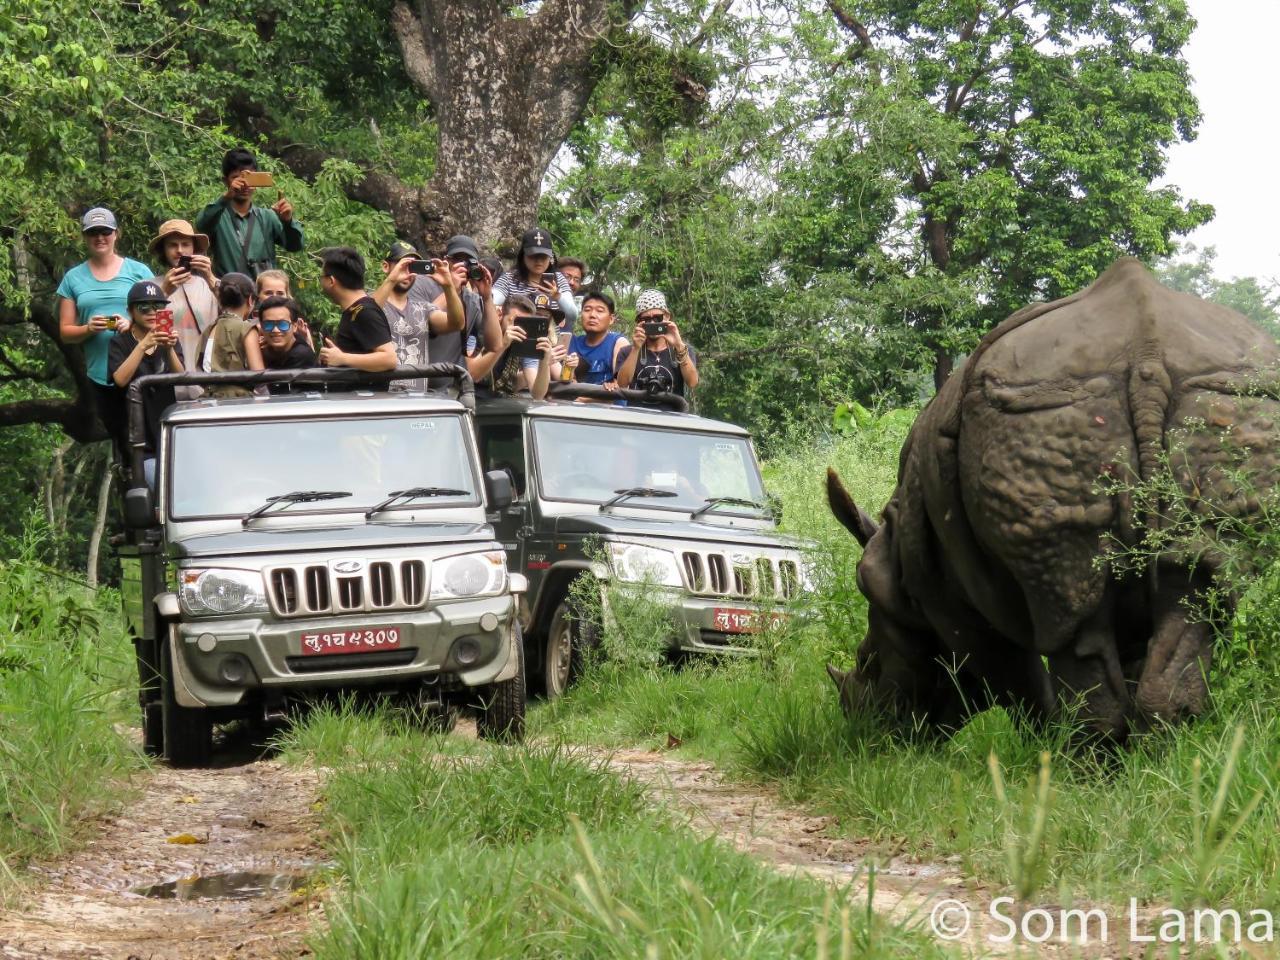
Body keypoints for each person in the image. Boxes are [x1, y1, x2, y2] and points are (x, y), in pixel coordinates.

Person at [56, 207, 155, 447]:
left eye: (105, 231)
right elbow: (65, 332)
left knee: (149, 436)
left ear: (116, 234)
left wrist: (130, 323)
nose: (100, 237)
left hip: (140, 368)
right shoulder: (73, 278)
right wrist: (88, 328)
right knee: (120, 438)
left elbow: (158, 315)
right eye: (93, 233)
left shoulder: (138, 271)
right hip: (100, 374)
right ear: (85, 237)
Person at [195, 147, 303, 278]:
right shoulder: (218, 216)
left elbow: (295, 246)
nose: (245, 185)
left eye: (250, 178)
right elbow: (201, 225)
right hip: (229, 293)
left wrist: (287, 221)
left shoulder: (268, 217)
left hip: (263, 294)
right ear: (226, 181)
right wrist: (226, 197)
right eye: (237, 178)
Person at [372, 240, 465, 390]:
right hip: (381, 401)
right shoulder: (372, 302)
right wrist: (392, 279)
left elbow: (457, 323)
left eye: (413, 267)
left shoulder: (423, 309)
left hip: (417, 403)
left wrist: (448, 286)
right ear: (385, 266)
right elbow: (367, 316)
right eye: (403, 265)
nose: (407, 273)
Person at [107, 280, 184, 454]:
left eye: (158, 306)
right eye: (143, 307)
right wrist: (143, 345)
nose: (152, 312)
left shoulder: (169, 339)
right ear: (130, 311)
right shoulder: (119, 342)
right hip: (137, 436)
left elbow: (180, 377)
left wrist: (169, 348)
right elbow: (120, 379)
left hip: (167, 431)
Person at [316, 247, 398, 373]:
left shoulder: (364, 311)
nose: (320, 281)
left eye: (322, 276)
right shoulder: (355, 310)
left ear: (331, 281)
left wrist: (343, 358)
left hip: (368, 392)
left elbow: (389, 359)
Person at [467, 295, 562, 399]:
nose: (518, 328)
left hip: (499, 402)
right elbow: (472, 375)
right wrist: (503, 345)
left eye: (524, 324)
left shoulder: (525, 341)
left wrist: (544, 362)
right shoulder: (480, 331)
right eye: (514, 322)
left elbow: (538, 394)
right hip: (471, 396)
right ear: (500, 315)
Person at [151, 219, 218, 365]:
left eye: (186, 244)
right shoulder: (149, 287)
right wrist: (163, 292)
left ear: (194, 248)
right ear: (163, 250)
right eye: (172, 245)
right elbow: (139, 326)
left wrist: (210, 277)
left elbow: (237, 313)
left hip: (207, 378)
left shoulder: (209, 285)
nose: (180, 250)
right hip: (166, 376)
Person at [617, 289, 700, 399]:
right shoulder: (627, 351)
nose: (652, 323)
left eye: (657, 318)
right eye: (646, 319)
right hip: (637, 415)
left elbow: (692, 382)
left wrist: (678, 345)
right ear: (639, 322)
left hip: (672, 414)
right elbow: (622, 384)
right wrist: (636, 348)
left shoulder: (683, 349)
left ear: (667, 316)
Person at [491, 228, 578, 327]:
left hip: (548, 340)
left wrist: (558, 296)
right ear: (523, 256)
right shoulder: (509, 278)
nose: (538, 261)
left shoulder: (558, 279)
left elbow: (573, 315)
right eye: (533, 256)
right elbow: (492, 300)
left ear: (551, 257)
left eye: (543, 257)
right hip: (516, 337)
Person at [197, 273, 265, 398]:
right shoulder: (246, 328)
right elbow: (258, 375)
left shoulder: (209, 329)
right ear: (250, 300)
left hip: (208, 398)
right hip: (238, 401)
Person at [565, 291, 627, 388]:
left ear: (611, 319)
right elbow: (566, 380)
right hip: (574, 402)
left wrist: (584, 398)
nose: (592, 315)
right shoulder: (572, 342)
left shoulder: (618, 343)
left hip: (607, 402)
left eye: (600, 311)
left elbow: (621, 385)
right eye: (587, 310)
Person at [258, 295, 317, 393]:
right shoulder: (267, 350)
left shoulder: (301, 355)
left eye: (283, 324)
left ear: (294, 326)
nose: (275, 330)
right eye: (268, 325)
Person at [255, 269, 313, 349]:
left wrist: (303, 339)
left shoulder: (297, 326)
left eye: (280, 293)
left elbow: (311, 357)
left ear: (287, 296)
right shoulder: (250, 328)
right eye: (268, 293)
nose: (274, 297)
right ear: (258, 295)